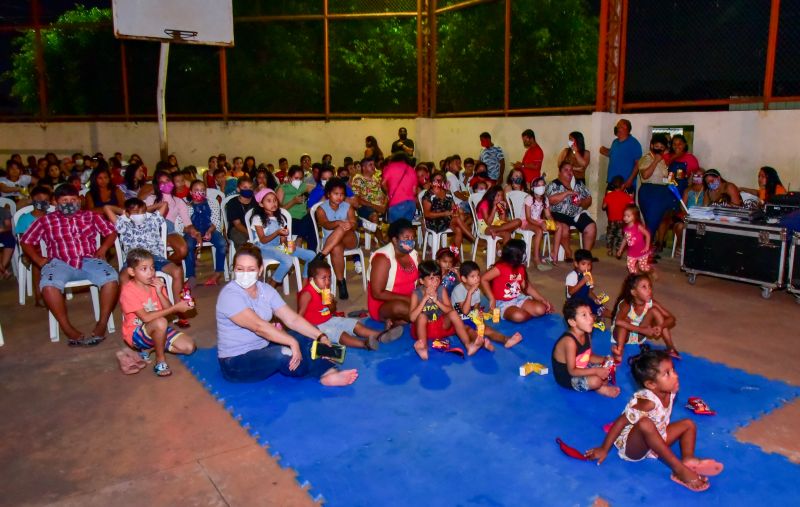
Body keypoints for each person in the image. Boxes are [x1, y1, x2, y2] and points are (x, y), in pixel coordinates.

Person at [216, 244, 359, 386]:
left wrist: (320, 336)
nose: (245, 274)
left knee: (310, 333)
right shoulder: (229, 295)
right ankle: (317, 366)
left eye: (251, 269)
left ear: (260, 270)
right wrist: (292, 342)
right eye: (240, 269)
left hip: (263, 347)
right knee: (283, 353)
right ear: (234, 269)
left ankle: (327, 374)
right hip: (235, 362)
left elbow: (293, 319)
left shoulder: (266, 290)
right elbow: (259, 327)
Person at [585, 346, 723, 492]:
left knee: (688, 424)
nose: (675, 375)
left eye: (673, 370)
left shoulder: (670, 390)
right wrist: (604, 449)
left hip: (658, 439)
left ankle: (688, 460)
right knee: (645, 423)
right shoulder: (646, 402)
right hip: (633, 447)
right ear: (651, 385)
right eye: (667, 374)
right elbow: (620, 421)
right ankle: (679, 469)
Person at [20, 185, 119, 346]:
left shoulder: (90, 216)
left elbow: (111, 231)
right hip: (60, 262)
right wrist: (38, 260)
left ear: (79, 200)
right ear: (55, 202)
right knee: (48, 286)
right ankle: (67, 329)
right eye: (64, 201)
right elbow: (26, 241)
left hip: (89, 260)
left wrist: (104, 248)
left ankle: (102, 323)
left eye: (73, 200)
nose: (69, 203)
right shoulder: (46, 220)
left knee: (111, 279)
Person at [104, 198, 191, 327]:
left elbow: (164, 204)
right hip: (134, 260)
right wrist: (127, 213)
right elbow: (107, 208)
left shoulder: (152, 220)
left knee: (177, 270)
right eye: (135, 212)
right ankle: (134, 314)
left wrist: (145, 210)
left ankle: (178, 308)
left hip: (155, 258)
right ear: (127, 213)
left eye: (142, 211)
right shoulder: (123, 223)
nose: (139, 215)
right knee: (123, 278)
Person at [119, 249, 196, 377]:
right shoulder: (128, 291)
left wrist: (160, 292)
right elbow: (146, 317)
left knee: (189, 347)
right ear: (132, 272)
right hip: (135, 333)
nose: (150, 273)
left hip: (156, 328)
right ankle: (160, 361)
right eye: (144, 269)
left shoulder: (156, 285)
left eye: (152, 268)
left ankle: (148, 349)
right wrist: (175, 308)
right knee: (160, 322)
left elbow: (169, 311)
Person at [297, 259, 402, 351]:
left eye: (329, 278)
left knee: (355, 324)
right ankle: (365, 344)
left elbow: (332, 310)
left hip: (329, 319)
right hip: (317, 327)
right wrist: (309, 333)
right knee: (341, 335)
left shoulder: (325, 290)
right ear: (312, 280)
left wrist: (331, 303)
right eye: (323, 278)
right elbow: (298, 317)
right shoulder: (307, 293)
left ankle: (381, 335)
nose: (327, 282)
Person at [409, 260, 487, 360]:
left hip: (440, 328)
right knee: (421, 316)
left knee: (454, 313)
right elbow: (412, 318)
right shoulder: (416, 293)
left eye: (437, 278)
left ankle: (469, 345)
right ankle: (423, 348)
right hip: (423, 330)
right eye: (431, 278)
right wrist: (424, 299)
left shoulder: (441, 290)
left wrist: (437, 301)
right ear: (421, 281)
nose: (435, 282)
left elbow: (449, 310)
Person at [551, 299, 620, 398]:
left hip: (581, 365)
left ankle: (599, 383)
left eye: (590, 314)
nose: (591, 319)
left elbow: (589, 356)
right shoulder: (569, 342)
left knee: (609, 365)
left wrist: (605, 359)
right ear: (572, 322)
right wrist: (596, 370)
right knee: (596, 380)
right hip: (567, 376)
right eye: (584, 315)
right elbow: (572, 371)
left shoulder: (587, 332)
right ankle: (600, 388)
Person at [251, 188, 316, 288]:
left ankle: (305, 284)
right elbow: (263, 240)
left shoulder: (281, 218)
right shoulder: (258, 218)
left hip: (278, 247)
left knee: (311, 255)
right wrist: (277, 232)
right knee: (287, 260)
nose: (273, 203)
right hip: (263, 248)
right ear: (261, 204)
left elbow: (282, 241)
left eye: (275, 200)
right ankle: (270, 286)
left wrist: (289, 245)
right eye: (269, 201)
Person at [451, 261, 523, 348]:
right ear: (464, 279)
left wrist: (478, 314)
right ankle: (482, 343)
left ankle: (506, 340)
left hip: (470, 317)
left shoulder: (477, 290)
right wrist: (469, 293)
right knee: (469, 330)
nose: (477, 278)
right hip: (458, 320)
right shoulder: (458, 290)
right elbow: (465, 311)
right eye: (472, 276)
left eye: (478, 275)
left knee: (486, 328)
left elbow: (476, 307)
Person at [610, 273, 679, 362]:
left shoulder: (651, 303)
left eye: (650, 286)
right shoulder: (626, 304)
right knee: (623, 323)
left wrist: (660, 326)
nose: (649, 290)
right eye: (644, 287)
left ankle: (671, 348)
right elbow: (618, 322)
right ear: (634, 292)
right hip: (622, 336)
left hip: (639, 337)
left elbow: (672, 318)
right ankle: (619, 351)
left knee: (655, 311)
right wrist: (642, 330)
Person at [481, 239, 552, 322]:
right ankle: (522, 313)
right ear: (517, 255)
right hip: (502, 302)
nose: (525, 254)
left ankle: (524, 312)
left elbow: (527, 287)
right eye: (523, 252)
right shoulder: (500, 268)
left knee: (541, 309)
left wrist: (541, 299)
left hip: (518, 298)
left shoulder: (520, 268)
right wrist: (492, 298)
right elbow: (483, 279)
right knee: (519, 316)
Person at [367, 219, 419, 327]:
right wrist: (410, 299)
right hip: (383, 305)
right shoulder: (383, 259)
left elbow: (422, 279)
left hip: (410, 300)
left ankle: (396, 323)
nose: (411, 241)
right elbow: (377, 293)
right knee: (402, 308)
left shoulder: (413, 254)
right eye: (406, 238)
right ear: (395, 240)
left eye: (412, 238)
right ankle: (404, 320)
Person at [315, 178, 359, 299]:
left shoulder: (348, 206)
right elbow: (325, 224)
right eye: (336, 194)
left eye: (342, 194)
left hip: (350, 239)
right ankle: (341, 283)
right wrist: (338, 222)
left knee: (342, 228)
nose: (339, 197)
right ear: (328, 194)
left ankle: (321, 255)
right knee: (336, 248)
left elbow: (354, 224)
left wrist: (349, 224)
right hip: (332, 242)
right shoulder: (321, 209)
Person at [145, 170, 195, 264]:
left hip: (170, 230)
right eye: (162, 182)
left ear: (172, 182)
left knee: (183, 250)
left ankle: (162, 264)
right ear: (157, 185)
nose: (166, 184)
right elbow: (143, 214)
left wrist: (195, 232)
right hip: (153, 230)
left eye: (168, 180)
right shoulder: (151, 199)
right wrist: (159, 205)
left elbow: (187, 223)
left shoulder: (179, 201)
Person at [634, 133, 676, 245]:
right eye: (657, 146)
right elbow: (645, 175)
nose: (659, 149)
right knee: (651, 222)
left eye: (662, 148)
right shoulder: (646, 158)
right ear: (651, 145)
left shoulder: (662, 160)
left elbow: (662, 178)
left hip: (662, 192)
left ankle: (648, 250)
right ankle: (644, 251)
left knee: (657, 222)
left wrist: (670, 180)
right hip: (650, 192)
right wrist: (656, 161)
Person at [547, 161, 597, 255]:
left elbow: (589, 199)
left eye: (571, 170)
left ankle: (585, 255)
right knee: (564, 229)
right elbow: (551, 200)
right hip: (558, 215)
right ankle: (568, 251)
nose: (569, 172)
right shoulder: (553, 185)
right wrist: (567, 193)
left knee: (591, 227)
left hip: (576, 214)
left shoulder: (578, 184)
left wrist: (581, 202)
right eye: (566, 170)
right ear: (559, 172)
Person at [185, 180, 226, 287]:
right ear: (190, 192)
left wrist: (209, 231)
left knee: (222, 243)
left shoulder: (212, 203)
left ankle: (217, 274)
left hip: (209, 229)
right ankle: (190, 275)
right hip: (192, 231)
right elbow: (182, 225)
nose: (200, 193)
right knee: (188, 245)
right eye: (196, 190)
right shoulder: (186, 205)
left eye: (202, 190)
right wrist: (194, 232)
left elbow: (216, 222)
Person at [15, 185, 51, 304]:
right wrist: (27, 253)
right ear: (32, 199)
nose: (43, 202)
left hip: (50, 248)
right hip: (32, 250)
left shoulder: (51, 217)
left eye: (46, 200)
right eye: (39, 199)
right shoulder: (24, 219)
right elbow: (22, 239)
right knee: (38, 262)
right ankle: (39, 295)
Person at [422, 172, 474, 253]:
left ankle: (454, 256)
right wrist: (444, 214)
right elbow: (427, 214)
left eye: (441, 180)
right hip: (434, 221)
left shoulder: (447, 192)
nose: (439, 182)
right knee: (457, 219)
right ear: (431, 182)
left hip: (448, 219)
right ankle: (474, 239)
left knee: (458, 229)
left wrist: (456, 211)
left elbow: (453, 206)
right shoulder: (428, 195)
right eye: (436, 180)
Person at [276, 165, 317, 252]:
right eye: (296, 178)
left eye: (301, 178)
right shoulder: (283, 189)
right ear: (290, 177)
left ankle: (309, 252)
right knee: (309, 225)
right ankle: (300, 239)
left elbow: (318, 191)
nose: (298, 180)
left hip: (303, 218)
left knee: (310, 220)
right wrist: (293, 202)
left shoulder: (304, 186)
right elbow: (278, 210)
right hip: (289, 220)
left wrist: (310, 204)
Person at [351, 157, 387, 243]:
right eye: (370, 165)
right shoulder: (358, 179)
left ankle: (394, 237)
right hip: (364, 207)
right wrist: (376, 206)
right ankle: (382, 241)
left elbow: (385, 194)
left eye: (373, 165)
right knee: (374, 216)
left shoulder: (376, 178)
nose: (373, 167)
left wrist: (384, 204)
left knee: (397, 209)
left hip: (380, 206)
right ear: (363, 167)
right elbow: (357, 199)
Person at [565, 249, 609, 320]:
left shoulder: (588, 275)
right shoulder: (572, 276)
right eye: (583, 264)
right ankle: (593, 317)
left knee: (601, 308)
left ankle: (615, 316)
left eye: (589, 264)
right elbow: (571, 292)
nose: (587, 267)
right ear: (576, 264)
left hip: (585, 299)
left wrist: (595, 299)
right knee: (579, 314)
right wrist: (582, 281)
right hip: (574, 302)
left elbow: (589, 292)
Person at [600, 119, 642, 191]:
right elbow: (612, 154)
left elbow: (638, 164)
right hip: (612, 183)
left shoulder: (634, 143)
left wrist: (630, 180)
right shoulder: (615, 142)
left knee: (625, 202)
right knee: (609, 202)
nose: (616, 128)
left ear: (624, 127)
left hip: (625, 184)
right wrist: (602, 149)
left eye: (618, 126)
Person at [523, 177, 555, 270]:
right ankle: (536, 258)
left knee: (559, 226)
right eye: (538, 185)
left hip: (537, 220)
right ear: (533, 188)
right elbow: (528, 218)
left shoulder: (545, 199)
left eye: (542, 185)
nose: (541, 187)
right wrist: (540, 224)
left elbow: (548, 215)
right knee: (539, 230)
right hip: (526, 221)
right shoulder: (529, 198)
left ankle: (553, 255)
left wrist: (552, 222)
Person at [382, 152, 418, 223]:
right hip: (411, 205)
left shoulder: (390, 167)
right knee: (406, 228)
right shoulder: (411, 169)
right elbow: (414, 191)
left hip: (396, 204)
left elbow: (383, 183)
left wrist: (388, 193)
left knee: (395, 230)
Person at [602, 176, 634, 257]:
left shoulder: (609, 195)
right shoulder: (626, 196)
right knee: (620, 236)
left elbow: (603, 206)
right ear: (623, 185)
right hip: (622, 220)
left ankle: (609, 250)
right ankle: (618, 251)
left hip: (611, 219)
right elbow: (632, 205)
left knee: (610, 234)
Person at [617, 204, 652, 274]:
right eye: (624, 216)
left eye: (628, 216)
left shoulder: (638, 226)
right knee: (630, 267)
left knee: (643, 267)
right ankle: (635, 278)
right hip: (631, 253)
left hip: (642, 251)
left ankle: (651, 271)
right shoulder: (625, 228)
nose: (625, 218)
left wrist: (647, 246)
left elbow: (647, 235)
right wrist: (620, 249)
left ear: (635, 216)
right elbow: (625, 239)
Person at [224, 176, 257, 251]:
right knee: (242, 241)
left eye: (250, 187)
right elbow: (237, 224)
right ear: (238, 189)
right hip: (236, 229)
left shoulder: (255, 202)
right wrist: (250, 234)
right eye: (245, 187)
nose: (248, 189)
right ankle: (242, 260)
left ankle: (257, 260)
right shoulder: (233, 203)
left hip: (253, 228)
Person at [0, 201, 14, 279]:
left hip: (3, 232)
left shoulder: (3, 211)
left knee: (10, 239)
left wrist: (2, 229)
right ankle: (3, 270)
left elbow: (9, 226)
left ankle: (2, 268)